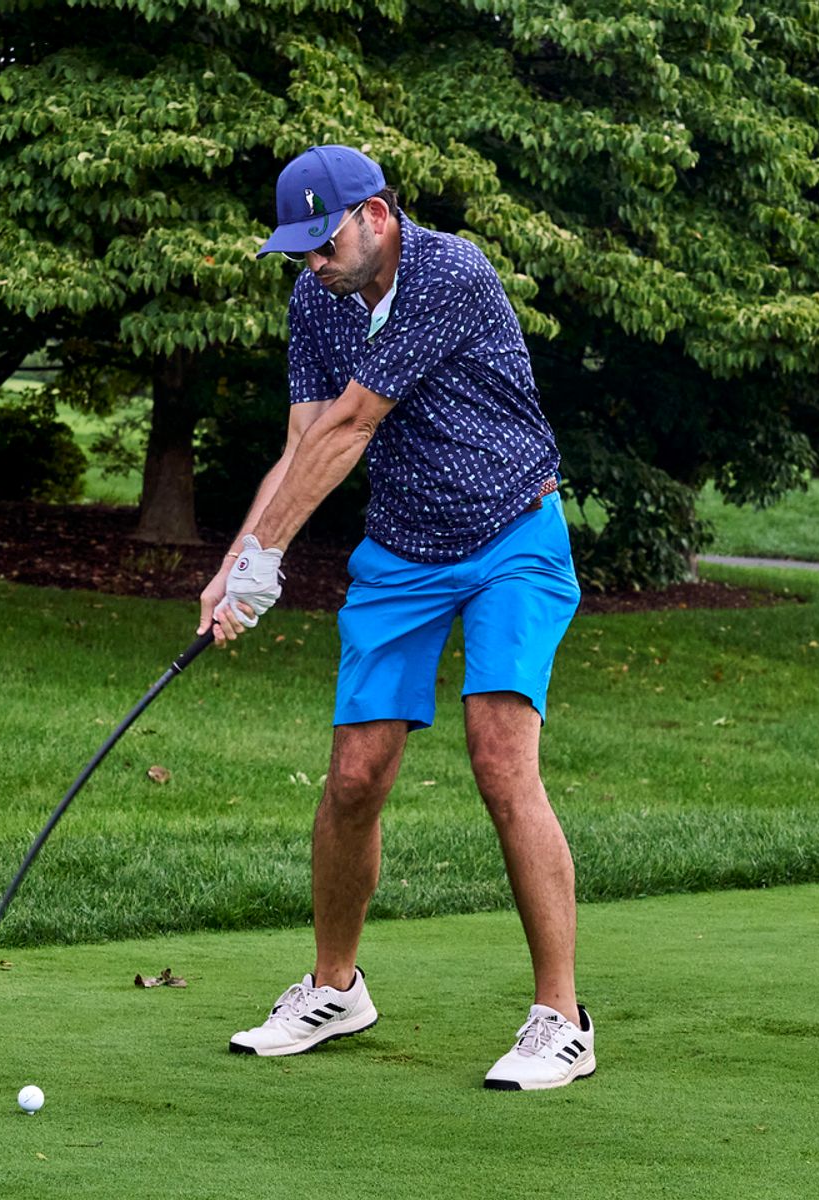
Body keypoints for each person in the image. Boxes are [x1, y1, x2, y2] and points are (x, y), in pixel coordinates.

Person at [197, 145, 593, 1091]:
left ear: (375, 215)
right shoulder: (315, 299)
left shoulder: (448, 272)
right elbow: (302, 442)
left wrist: (265, 559)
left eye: (323, 242)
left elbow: (352, 425)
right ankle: (335, 989)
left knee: (501, 759)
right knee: (353, 775)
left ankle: (562, 1020)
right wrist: (234, 567)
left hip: (512, 536)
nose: (312, 263)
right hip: (404, 550)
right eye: (298, 249)